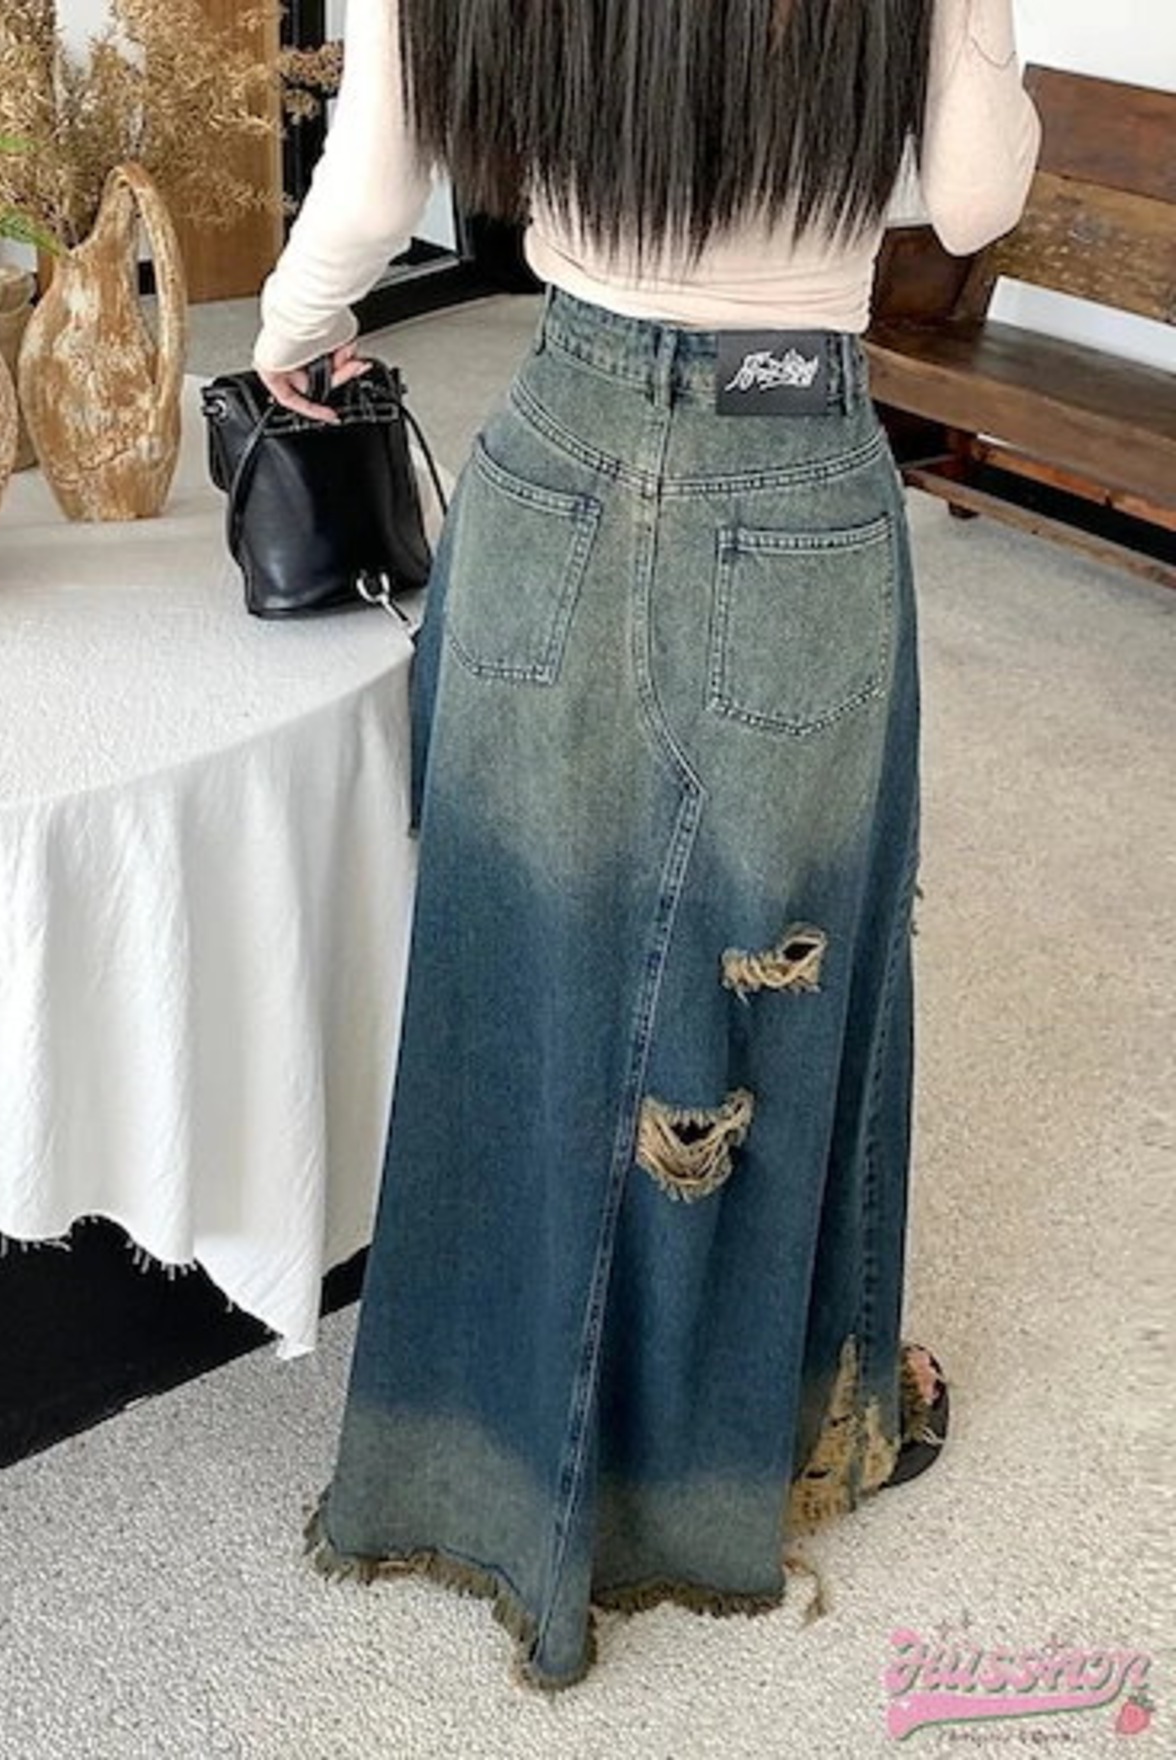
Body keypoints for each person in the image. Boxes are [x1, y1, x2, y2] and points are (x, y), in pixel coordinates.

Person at [253, 0, 1041, 1693]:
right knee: (781, 975)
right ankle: (752, 1444)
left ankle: (465, 1458)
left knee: (517, 967)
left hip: (566, 453)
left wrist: (294, 323)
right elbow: (975, 200)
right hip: (793, 451)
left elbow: (372, 184)